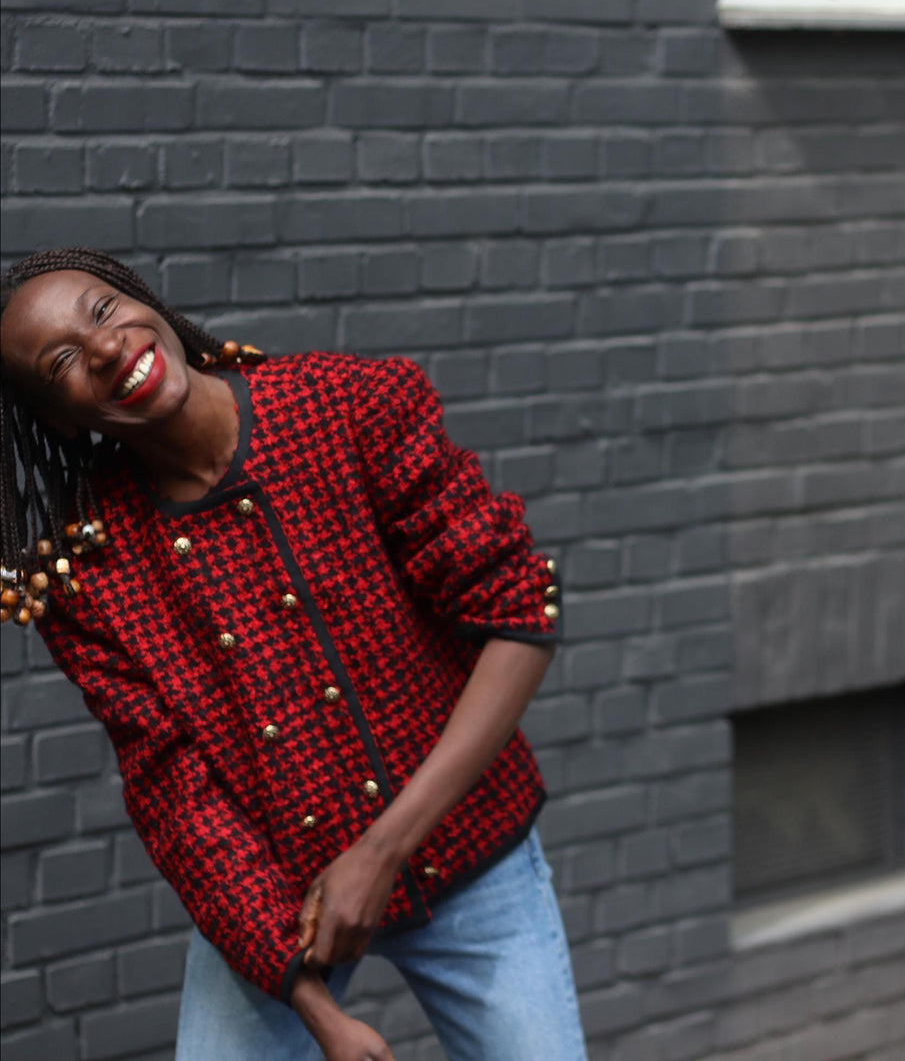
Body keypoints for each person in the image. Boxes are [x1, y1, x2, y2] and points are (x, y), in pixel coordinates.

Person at [0, 247, 589, 1061]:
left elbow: (518, 613)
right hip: (279, 907)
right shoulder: (91, 574)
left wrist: (380, 850)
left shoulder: (345, 407)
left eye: (100, 311)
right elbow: (178, 799)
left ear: (144, 303)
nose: (102, 349)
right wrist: (317, 1010)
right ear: (59, 417)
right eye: (61, 360)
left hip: (471, 851)